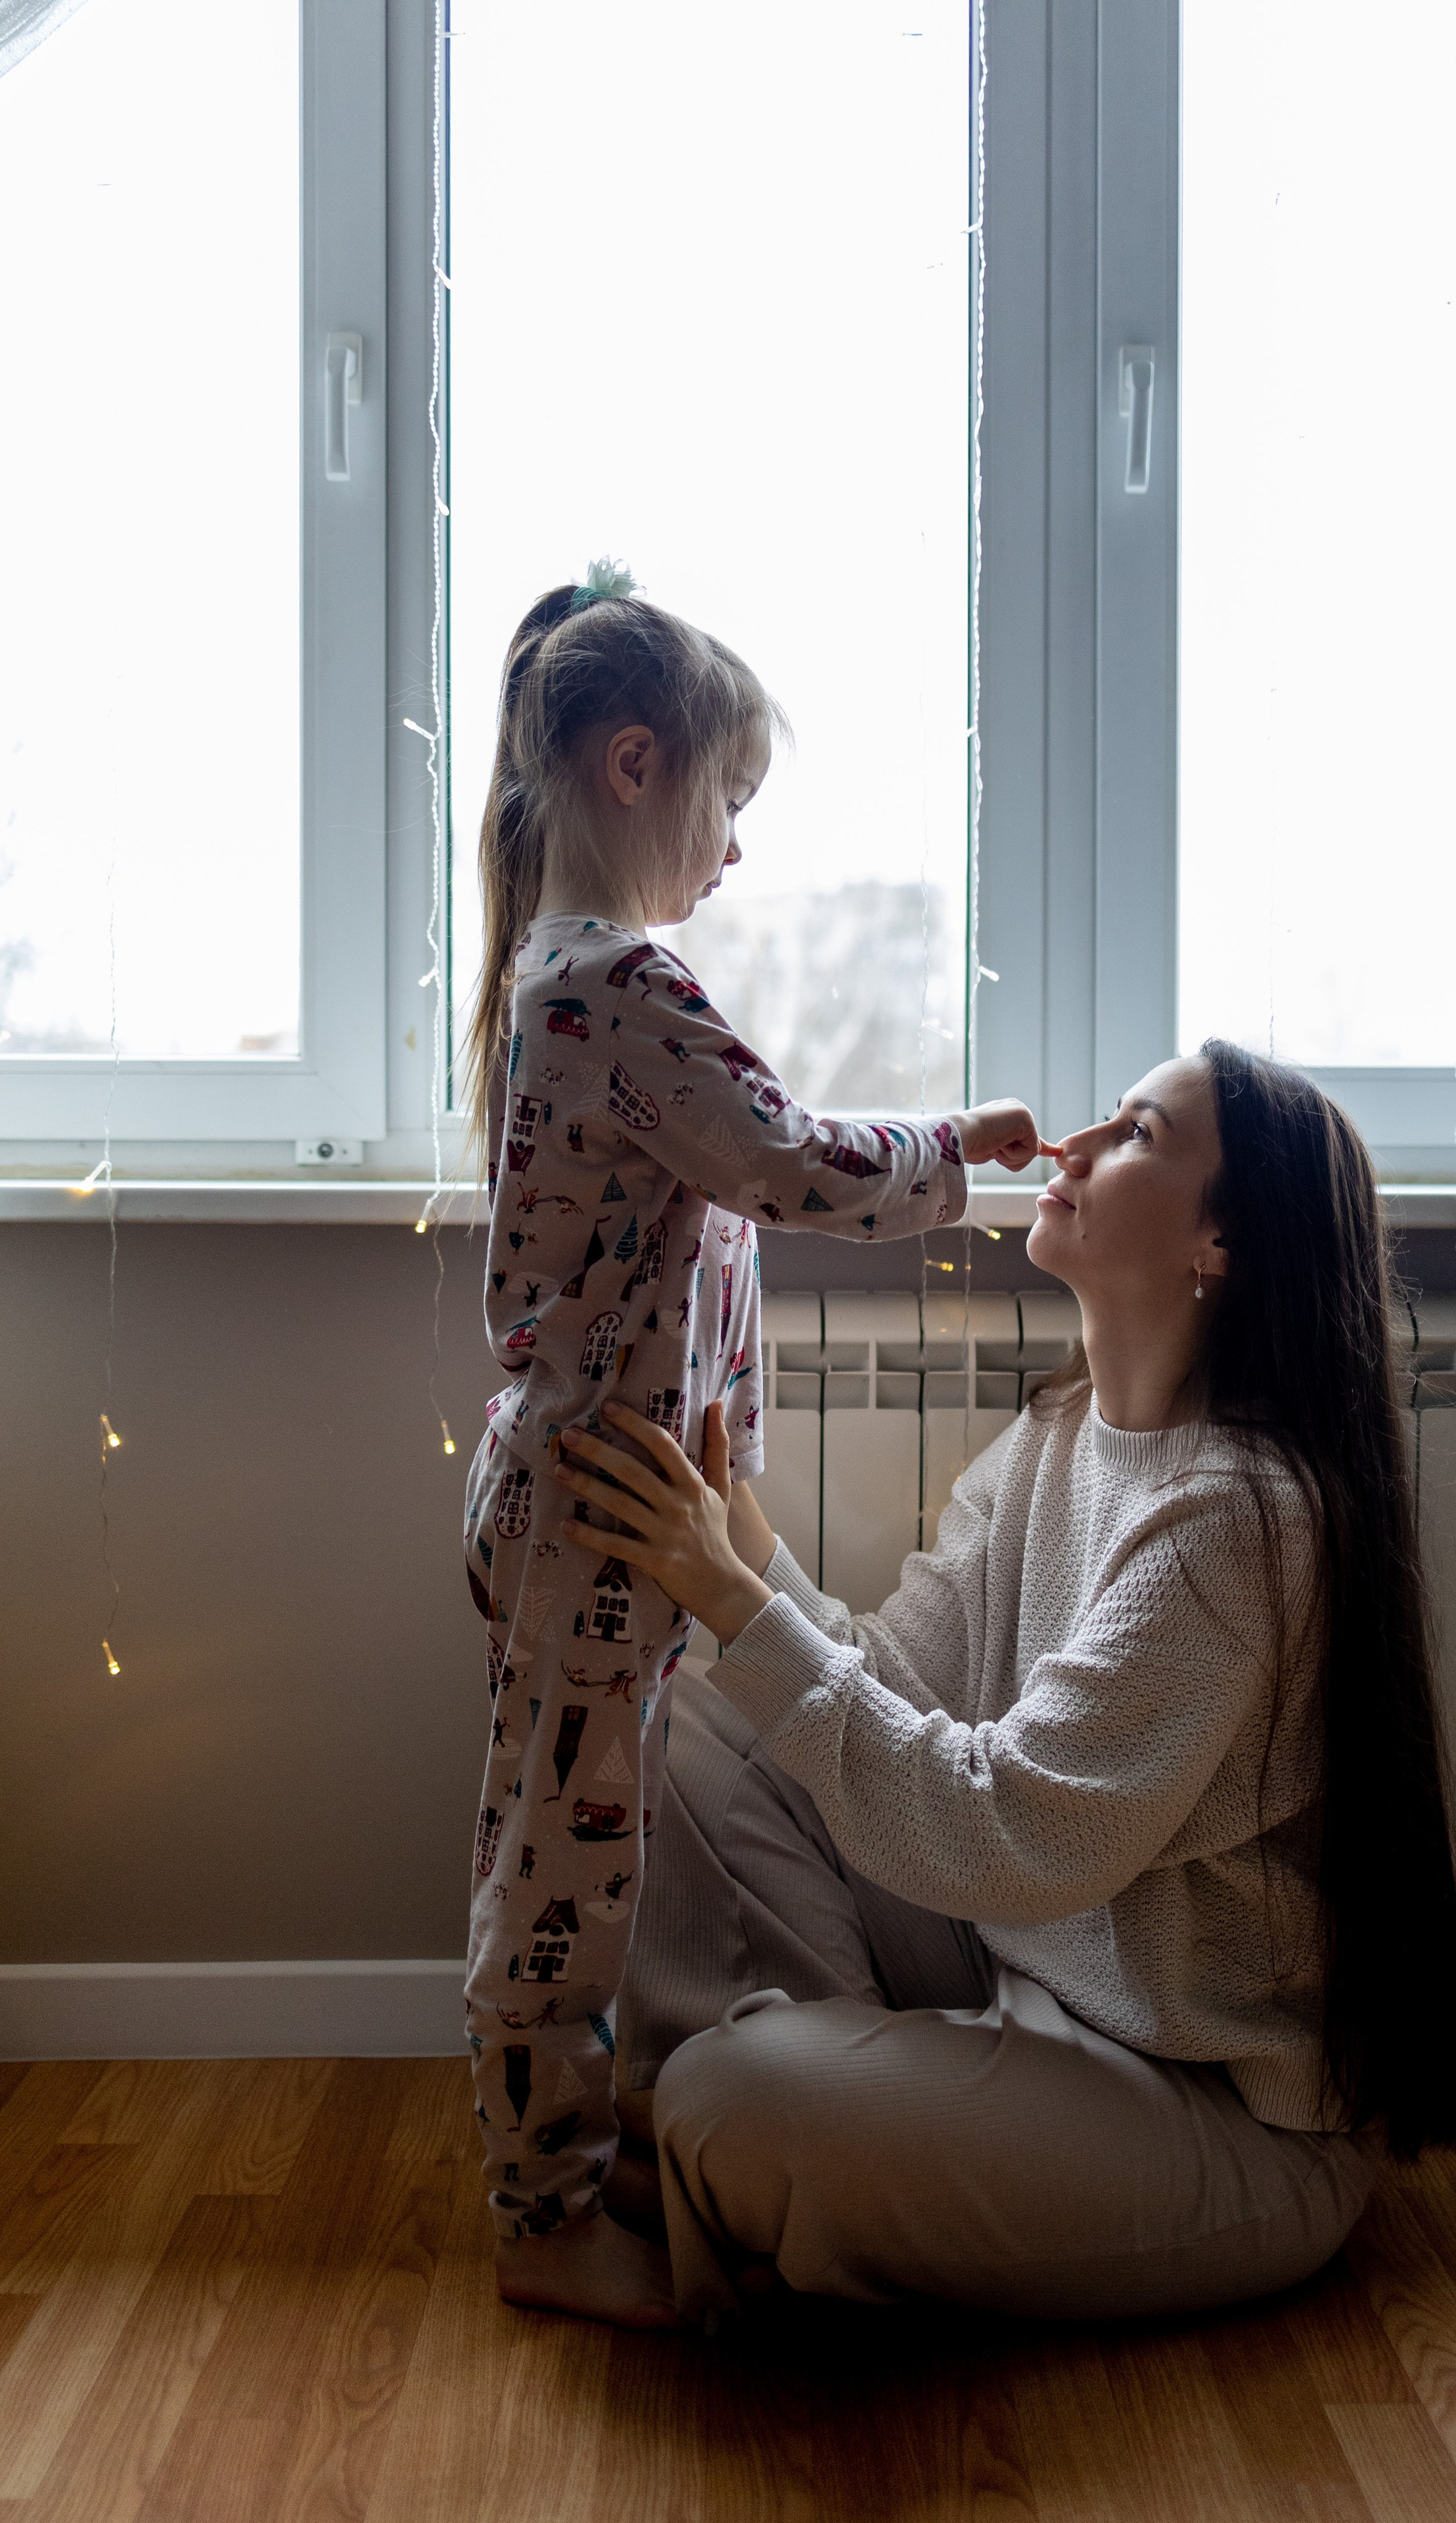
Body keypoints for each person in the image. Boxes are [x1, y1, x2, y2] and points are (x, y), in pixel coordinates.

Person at [566, 1040, 1456, 2323]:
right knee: (687, 1726)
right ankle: (795, 2147)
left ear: (1219, 1245)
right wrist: (739, 1540)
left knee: (731, 2101)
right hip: (1017, 1971)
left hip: (1201, 2108)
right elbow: (882, 1680)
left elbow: (1010, 1829)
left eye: (1137, 1137)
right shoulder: (1058, 1436)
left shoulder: (1236, 1520)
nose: (1076, 1147)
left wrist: (731, 1595)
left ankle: (760, 2144)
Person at [460, 560, 1044, 2329]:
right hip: (592, 1522)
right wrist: (963, 1153)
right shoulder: (622, 985)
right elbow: (787, 1160)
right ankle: (540, 2220)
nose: (734, 848)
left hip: (604, 1508)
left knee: (585, 1862)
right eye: (727, 800)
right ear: (634, 767)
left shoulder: (569, 979)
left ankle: (560, 2148)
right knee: (559, 1877)